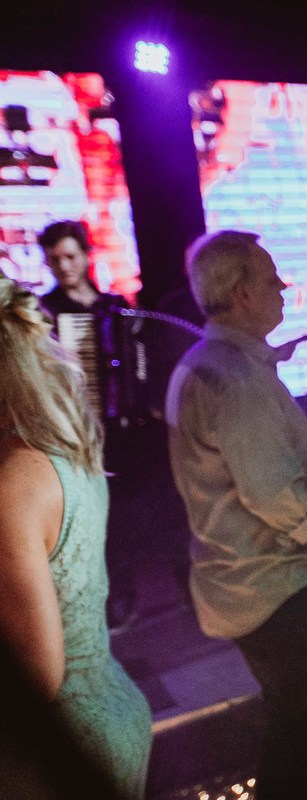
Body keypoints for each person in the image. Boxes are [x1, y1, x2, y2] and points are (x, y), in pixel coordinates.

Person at [165, 230, 307, 800]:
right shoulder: (237, 382)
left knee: (296, 732)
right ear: (241, 294)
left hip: (238, 586)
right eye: (269, 278)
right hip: (277, 587)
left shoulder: (206, 363)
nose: (283, 287)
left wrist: (271, 359)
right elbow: (277, 497)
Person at [0, 272, 151, 798]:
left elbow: (38, 675)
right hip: (111, 705)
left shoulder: (14, 484)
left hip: (64, 752)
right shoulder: (57, 443)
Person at [36, 219, 139, 631]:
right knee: (93, 519)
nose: (63, 266)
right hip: (78, 432)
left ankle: (127, 594)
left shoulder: (114, 307)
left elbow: (136, 361)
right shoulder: (46, 311)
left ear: (86, 256)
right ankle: (105, 600)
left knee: (127, 515)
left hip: (124, 432)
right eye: (54, 259)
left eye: (70, 257)